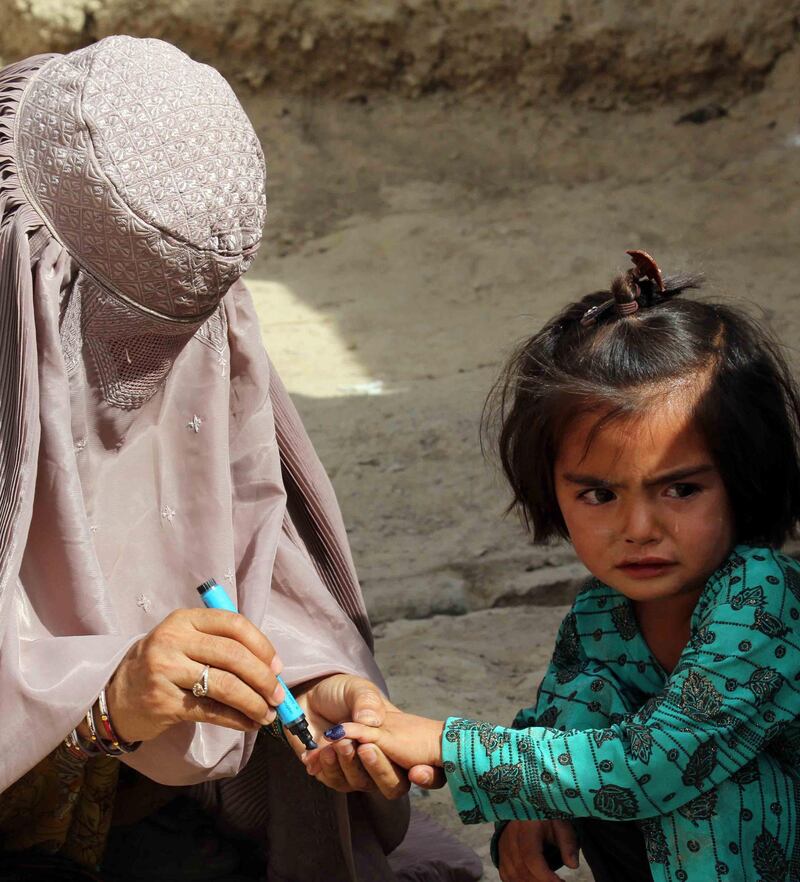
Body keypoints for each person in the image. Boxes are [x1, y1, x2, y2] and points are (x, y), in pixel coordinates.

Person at [0, 35, 481, 882]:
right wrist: (101, 707)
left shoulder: (198, 354)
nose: (144, 388)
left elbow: (246, 561)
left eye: (179, 342)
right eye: (109, 339)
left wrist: (315, 683)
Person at [307, 250, 800, 882]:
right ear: (554, 493)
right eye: (599, 494)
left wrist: (442, 744)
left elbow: (658, 765)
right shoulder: (601, 615)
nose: (639, 529)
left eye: (681, 490)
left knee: (698, 776)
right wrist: (525, 814)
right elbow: (557, 729)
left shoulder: (763, 596)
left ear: (744, 476)